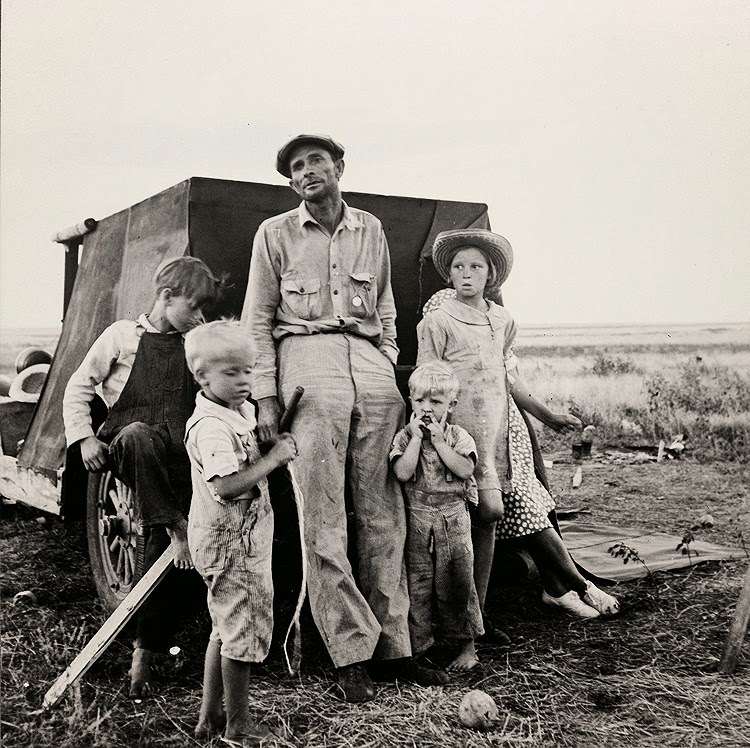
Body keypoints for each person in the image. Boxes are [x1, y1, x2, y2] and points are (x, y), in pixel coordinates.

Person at [241, 134, 447, 702]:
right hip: (306, 361)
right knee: (323, 511)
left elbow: (385, 303)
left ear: (339, 167)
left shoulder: (370, 228)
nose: (309, 172)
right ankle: (348, 651)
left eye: (317, 161)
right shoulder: (274, 234)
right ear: (290, 181)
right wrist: (265, 398)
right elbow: (257, 320)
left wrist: (384, 358)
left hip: (369, 363)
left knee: (385, 510)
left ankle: (396, 650)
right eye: (297, 167)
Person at [418, 229, 620, 620]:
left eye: (476, 266)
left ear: (491, 274)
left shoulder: (503, 320)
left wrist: (548, 416)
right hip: (463, 429)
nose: (467, 273)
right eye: (459, 266)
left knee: (509, 510)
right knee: (485, 513)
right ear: (449, 274)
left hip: (503, 432)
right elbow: (432, 378)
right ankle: (565, 589)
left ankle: (555, 590)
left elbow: (508, 378)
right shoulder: (439, 313)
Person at [62, 256, 225, 698]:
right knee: (138, 436)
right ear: (166, 297)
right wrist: (83, 440)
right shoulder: (120, 336)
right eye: (193, 307)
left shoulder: (194, 342)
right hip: (128, 448)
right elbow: (78, 387)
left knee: (162, 547)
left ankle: (146, 652)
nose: (200, 318)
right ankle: (175, 526)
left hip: (177, 458)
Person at [183, 321, 297, 746]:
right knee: (242, 632)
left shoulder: (235, 411)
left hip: (232, 537)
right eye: (232, 373)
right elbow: (227, 486)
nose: (244, 381)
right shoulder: (211, 426)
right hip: (232, 540)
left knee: (223, 627)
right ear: (202, 376)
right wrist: (276, 459)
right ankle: (239, 726)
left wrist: (269, 446)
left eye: (249, 371)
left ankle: (209, 715)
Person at [390, 362, 485, 671]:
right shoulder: (405, 439)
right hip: (417, 519)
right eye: (419, 401)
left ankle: (467, 646)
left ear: (451, 405)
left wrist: (440, 442)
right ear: (411, 401)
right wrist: (417, 439)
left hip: (453, 519)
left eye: (436, 402)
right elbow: (403, 473)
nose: (426, 408)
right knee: (418, 583)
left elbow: (465, 469)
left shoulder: (458, 437)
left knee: (458, 580)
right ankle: (420, 648)